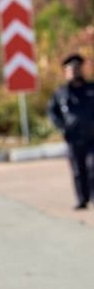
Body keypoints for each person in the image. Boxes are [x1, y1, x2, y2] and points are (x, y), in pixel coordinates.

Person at [47, 53, 94, 209]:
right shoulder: (61, 93)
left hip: (92, 137)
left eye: (77, 69)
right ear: (66, 72)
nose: (74, 72)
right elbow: (52, 112)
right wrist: (62, 126)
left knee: (92, 166)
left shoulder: (91, 89)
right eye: (71, 70)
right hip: (73, 137)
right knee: (77, 170)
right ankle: (82, 199)